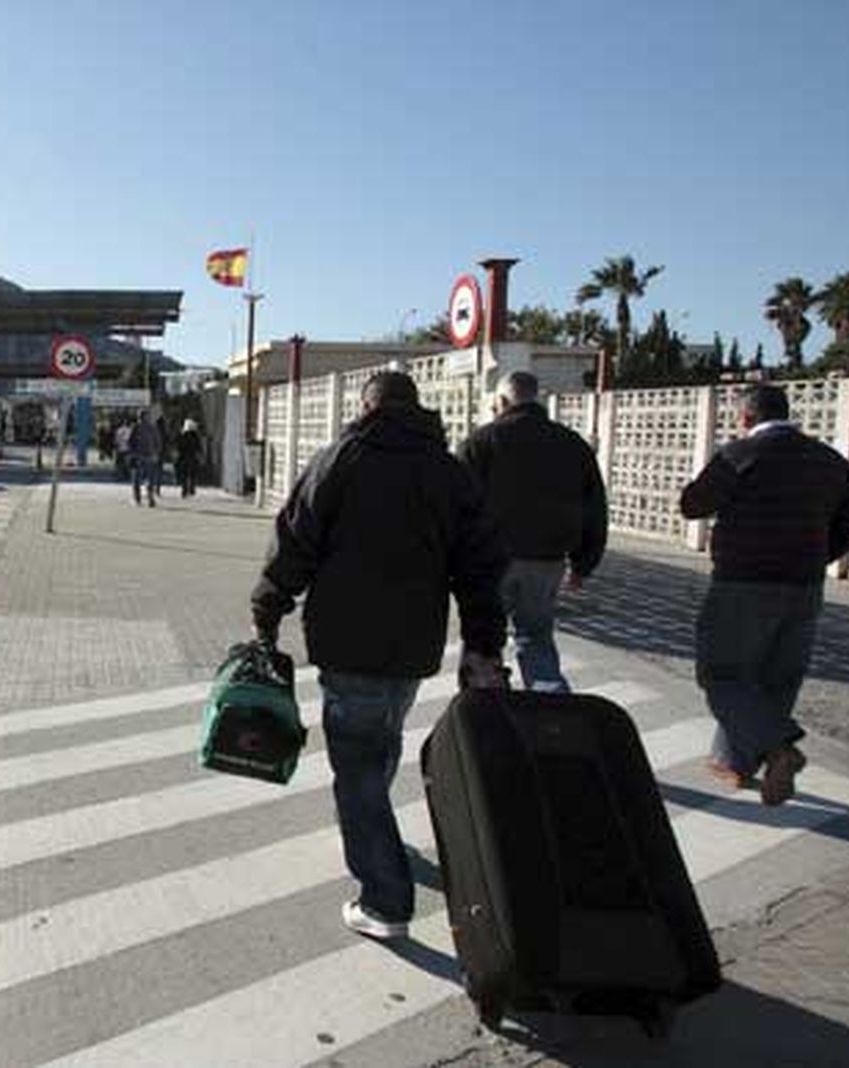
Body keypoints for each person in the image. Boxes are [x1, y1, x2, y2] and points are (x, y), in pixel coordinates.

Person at [252, 371, 508, 940]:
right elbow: (481, 567)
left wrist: (267, 607)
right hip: (414, 645)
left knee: (358, 768)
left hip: (348, 642)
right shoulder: (448, 472)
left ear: (367, 406)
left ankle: (385, 899)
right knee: (380, 743)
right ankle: (373, 832)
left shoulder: (340, 460)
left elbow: (295, 540)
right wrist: (483, 643)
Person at [680, 384, 849, 806]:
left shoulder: (740, 454)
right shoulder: (829, 460)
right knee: (777, 677)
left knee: (723, 674)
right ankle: (735, 762)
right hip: (804, 586)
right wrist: (815, 556)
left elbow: (693, 504)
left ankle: (779, 749)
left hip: (742, 582)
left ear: (746, 417)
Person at [456, 371, 608, 692]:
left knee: (484, 643)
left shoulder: (480, 442)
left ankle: (485, 710)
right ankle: (551, 707)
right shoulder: (572, 444)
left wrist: (454, 562)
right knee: (536, 638)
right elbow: (594, 508)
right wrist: (583, 564)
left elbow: (458, 507)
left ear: (502, 401)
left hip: (491, 563)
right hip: (547, 560)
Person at [128, 409, 163, 506]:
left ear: (139, 417)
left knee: (136, 478)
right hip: (151, 456)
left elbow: (130, 441)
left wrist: (132, 453)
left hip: (138, 456)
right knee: (150, 478)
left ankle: (137, 499)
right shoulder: (153, 428)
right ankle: (150, 498)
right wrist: (156, 453)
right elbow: (158, 441)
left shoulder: (135, 427)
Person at [175, 418, 203, 498]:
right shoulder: (195, 436)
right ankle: (191, 489)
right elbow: (198, 447)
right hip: (192, 457)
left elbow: (178, 446)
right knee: (192, 474)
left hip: (183, 457)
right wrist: (200, 455)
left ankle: (184, 490)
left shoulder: (182, 435)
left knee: (184, 475)